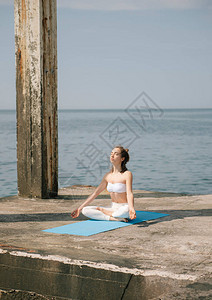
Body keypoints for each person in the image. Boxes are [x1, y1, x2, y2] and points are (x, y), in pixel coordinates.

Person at [71, 145, 136, 222]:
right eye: (111, 153)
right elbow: (95, 193)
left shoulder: (127, 174)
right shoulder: (107, 176)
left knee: (124, 211)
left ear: (122, 158)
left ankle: (106, 213)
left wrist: (131, 208)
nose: (112, 155)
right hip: (113, 207)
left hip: (124, 207)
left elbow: (129, 193)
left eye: (116, 154)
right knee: (85, 210)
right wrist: (79, 208)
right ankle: (112, 218)